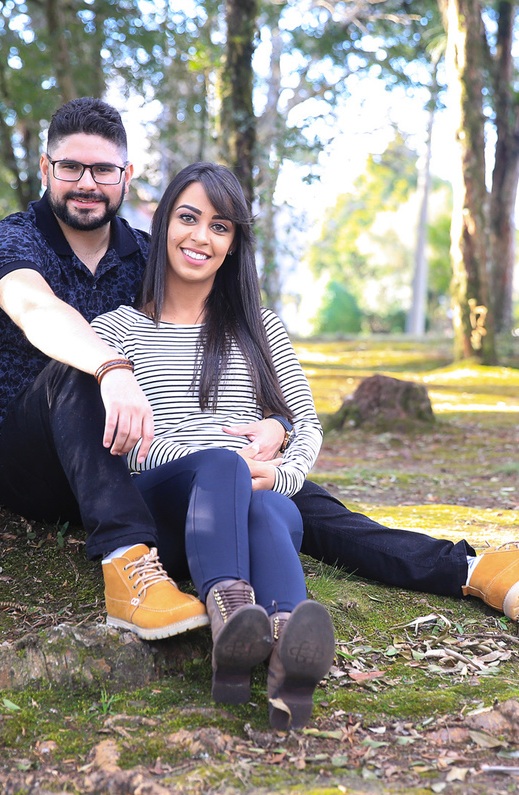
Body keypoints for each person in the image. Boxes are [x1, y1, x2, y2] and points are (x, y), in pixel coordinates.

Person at [0, 97, 519, 648]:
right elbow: (39, 312)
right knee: (76, 364)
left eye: (102, 170)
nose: (87, 182)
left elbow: (193, 333)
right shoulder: (15, 241)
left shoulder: (147, 249)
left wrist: (272, 428)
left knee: (293, 498)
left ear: (126, 177)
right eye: (71, 168)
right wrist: (111, 369)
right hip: (37, 453)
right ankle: (130, 564)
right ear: (46, 169)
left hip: (129, 453)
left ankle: (475, 572)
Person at [89, 162, 332, 729]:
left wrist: (281, 474)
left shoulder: (257, 328)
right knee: (224, 469)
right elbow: (120, 443)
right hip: (170, 507)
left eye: (219, 227)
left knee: (270, 504)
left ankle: (281, 651)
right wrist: (218, 463)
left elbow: (305, 424)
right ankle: (231, 612)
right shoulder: (115, 330)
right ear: (163, 226)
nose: (201, 237)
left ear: (232, 246)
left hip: (252, 499)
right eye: (189, 218)